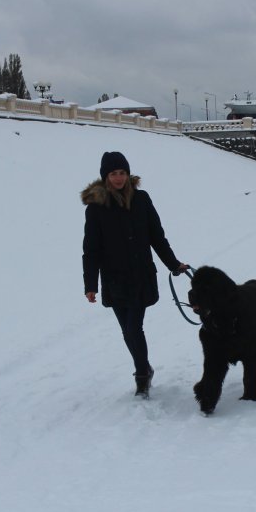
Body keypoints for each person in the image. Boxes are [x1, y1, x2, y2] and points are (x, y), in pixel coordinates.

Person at [81, 151, 188, 398]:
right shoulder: (96, 208)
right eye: (113, 173)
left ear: (128, 174)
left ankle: (142, 375)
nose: (119, 178)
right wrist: (90, 284)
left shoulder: (141, 199)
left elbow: (156, 236)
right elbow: (91, 249)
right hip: (114, 279)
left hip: (140, 275)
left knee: (133, 328)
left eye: (122, 173)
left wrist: (173, 263)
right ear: (105, 176)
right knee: (127, 329)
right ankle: (144, 369)